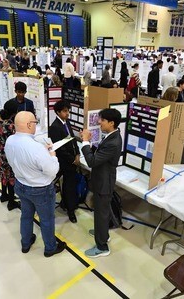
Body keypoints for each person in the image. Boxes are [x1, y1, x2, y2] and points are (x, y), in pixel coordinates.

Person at [4, 111, 65, 257]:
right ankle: (50, 248)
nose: (35, 126)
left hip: (21, 185)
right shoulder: (36, 147)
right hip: (40, 190)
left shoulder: (10, 140)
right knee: (46, 220)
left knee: (26, 215)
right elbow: (52, 171)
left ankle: (26, 242)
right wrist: (52, 156)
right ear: (28, 125)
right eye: (35, 123)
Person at [80, 108, 123, 258]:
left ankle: (102, 246)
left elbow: (92, 161)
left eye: (102, 120)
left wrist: (85, 142)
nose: (99, 122)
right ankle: (102, 233)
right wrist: (90, 145)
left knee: (101, 214)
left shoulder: (114, 141)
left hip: (104, 183)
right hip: (102, 179)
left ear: (111, 123)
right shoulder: (112, 135)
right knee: (101, 212)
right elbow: (101, 154)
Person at [48, 100, 81, 223]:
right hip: (64, 162)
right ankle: (70, 210)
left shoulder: (67, 123)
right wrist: (73, 159)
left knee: (70, 185)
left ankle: (68, 204)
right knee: (68, 186)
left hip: (72, 159)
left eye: (68, 111)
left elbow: (72, 140)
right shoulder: (55, 127)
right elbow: (60, 149)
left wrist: (77, 153)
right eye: (65, 111)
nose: (68, 113)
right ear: (58, 112)